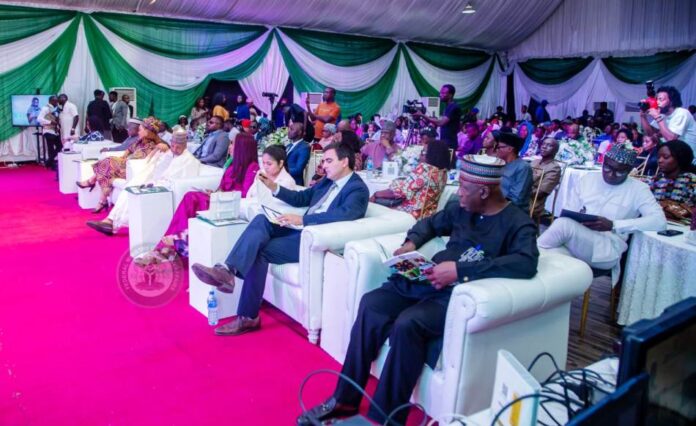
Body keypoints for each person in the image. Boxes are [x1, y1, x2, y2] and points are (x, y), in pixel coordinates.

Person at [298, 154, 539, 425]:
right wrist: (412, 243)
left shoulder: (517, 222)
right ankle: (345, 398)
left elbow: (526, 263)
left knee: (407, 324)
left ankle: (384, 418)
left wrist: (460, 271)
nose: (457, 193)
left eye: (463, 188)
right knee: (371, 303)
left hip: (457, 294)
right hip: (427, 280)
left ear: (484, 191)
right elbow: (429, 224)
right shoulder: (462, 209)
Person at [191, 142, 370, 335]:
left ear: (344, 161)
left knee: (260, 252)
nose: (323, 165)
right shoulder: (328, 181)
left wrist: (302, 219)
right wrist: (274, 187)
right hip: (301, 230)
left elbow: (345, 215)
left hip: (317, 239)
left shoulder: (357, 189)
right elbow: (301, 198)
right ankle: (227, 270)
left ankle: (247, 316)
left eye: (328, 161)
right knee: (262, 219)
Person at [538, 145, 666, 280]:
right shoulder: (588, 179)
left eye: (619, 171)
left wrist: (614, 225)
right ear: (603, 162)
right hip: (575, 241)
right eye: (607, 167)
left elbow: (659, 221)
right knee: (546, 259)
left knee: (561, 226)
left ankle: (524, 258)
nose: (611, 174)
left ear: (629, 170)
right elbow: (570, 210)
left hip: (607, 249)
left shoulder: (639, 189)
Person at [135, 134, 263, 264]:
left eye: (232, 144)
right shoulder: (232, 166)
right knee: (190, 197)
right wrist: (214, 193)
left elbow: (246, 195)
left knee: (191, 198)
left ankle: (167, 247)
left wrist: (219, 195)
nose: (229, 147)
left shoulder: (252, 168)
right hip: (219, 201)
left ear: (242, 148)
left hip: (229, 206)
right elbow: (222, 188)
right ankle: (168, 247)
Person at [86, 127, 201, 236]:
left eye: (178, 148)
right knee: (130, 189)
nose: (174, 149)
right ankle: (110, 220)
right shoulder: (170, 153)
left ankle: (112, 223)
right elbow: (158, 170)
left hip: (168, 191)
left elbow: (183, 183)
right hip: (158, 185)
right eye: (173, 146)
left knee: (137, 190)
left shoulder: (190, 160)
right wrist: (164, 153)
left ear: (185, 145)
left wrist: (156, 184)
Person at [76, 117, 165, 213]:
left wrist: (123, 160)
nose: (138, 132)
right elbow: (129, 149)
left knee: (108, 162)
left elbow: (141, 161)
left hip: (135, 171)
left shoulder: (153, 145)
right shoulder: (141, 140)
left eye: (140, 130)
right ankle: (101, 201)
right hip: (125, 166)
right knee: (108, 169)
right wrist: (124, 157)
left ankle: (92, 183)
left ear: (147, 132)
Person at [371, 140, 450, 219]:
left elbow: (399, 192)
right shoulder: (443, 173)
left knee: (371, 205)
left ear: (431, 155)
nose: (420, 155)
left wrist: (376, 194)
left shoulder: (425, 169)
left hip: (410, 213)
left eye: (423, 152)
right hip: (428, 214)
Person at [641, 86, 696, 162]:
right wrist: (643, 116)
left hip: (691, 160)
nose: (657, 102)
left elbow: (671, 139)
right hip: (677, 158)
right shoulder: (663, 116)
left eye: (661, 99)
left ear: (671, 101)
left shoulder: (682, 113)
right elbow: (650, 134)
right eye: (656, 99)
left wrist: (657, 117)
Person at [648, 140, 696, 223]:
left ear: (680, 158)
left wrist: (678, 212)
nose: (660, 160)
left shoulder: (692, 180)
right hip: (655, 223)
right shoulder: (656, 180)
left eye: (665, 157)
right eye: (658, 157)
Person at [414, 84, 461, 165]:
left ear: (450, 95)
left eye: (443, 93)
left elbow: (441, 123)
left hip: (450, 143)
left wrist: (423, 115)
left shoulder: (453, 107)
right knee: (444, 165)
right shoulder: (448, 107)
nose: (440, 95)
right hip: (446, 141)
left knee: (448, 167)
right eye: (440, 92)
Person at [497, 132, 533, 212]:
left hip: (512, 210)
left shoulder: (523, 167)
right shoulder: (501, 163)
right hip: (497, 204)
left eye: (499, 147)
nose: (497, 150)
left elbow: (516, 198)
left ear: (510, 149)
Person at [529, 138, 562, 219]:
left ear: (556, 150)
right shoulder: (534, 162)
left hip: (532, 202)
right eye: (543, 144)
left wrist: (520, 190)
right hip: (521, 197)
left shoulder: (554, 168)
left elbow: (541, 193)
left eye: (549, 145)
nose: (544, 147)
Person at [37, 96, 61, 170]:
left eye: (57, 101)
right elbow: (39, 119)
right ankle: (50, 163)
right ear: (50, 101)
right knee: (51, 148)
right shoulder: (45, 108)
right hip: (48, 130)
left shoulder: (56, 108)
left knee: (60, 146)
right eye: (55, 101)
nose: (56, 102)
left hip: (55, 130)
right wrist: (50, 122)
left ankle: (49, 162)